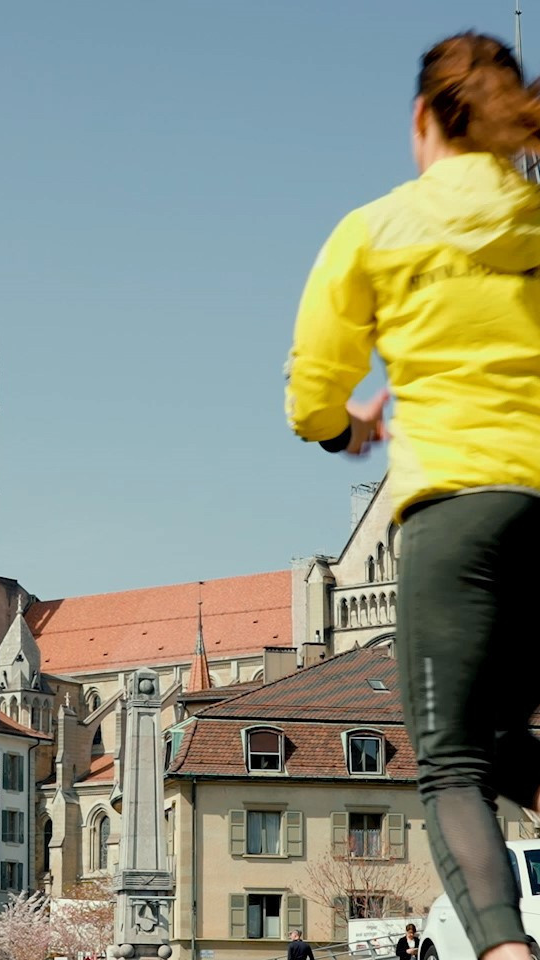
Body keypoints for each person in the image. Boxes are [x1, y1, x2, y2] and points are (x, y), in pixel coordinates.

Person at [285, 29, 540, 960]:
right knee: (508, 738)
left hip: (458, 507)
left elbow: (313, 386)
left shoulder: (379, 228)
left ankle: (508, 954)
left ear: (425, 120)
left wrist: (346, 427)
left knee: (454, 765)